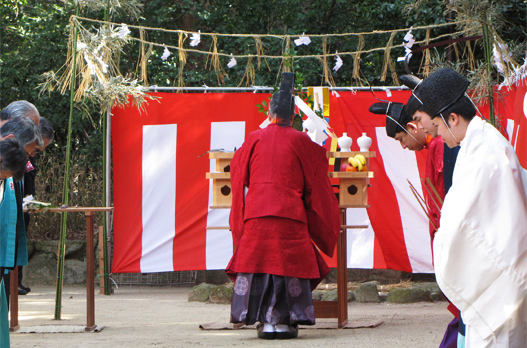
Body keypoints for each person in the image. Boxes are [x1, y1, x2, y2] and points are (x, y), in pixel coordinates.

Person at [414, 67, 527, 347]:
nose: (438, 134)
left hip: (502, 282)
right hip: (505, 277)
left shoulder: (483, 150)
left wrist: (443, 243)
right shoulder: (480, 142)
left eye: (438, 126)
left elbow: (462, 223)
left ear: (453, 118)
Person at [226, 92, 341, 340]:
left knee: (259, 263)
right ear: (293, 116)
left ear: (269, 114)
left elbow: (238, 171)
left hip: (257, 212)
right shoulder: (301, 140)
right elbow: (316, 177)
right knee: (288, 264)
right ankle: (286, 323)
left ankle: (266, 324)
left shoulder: (254, 139)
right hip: (290, 212)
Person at [18, 117, 55, 295]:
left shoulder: (29, 159)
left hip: (25, 203)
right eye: (35, 149)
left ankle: (17, 280)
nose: (34, 154)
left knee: (20, 242)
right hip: (14, 205)